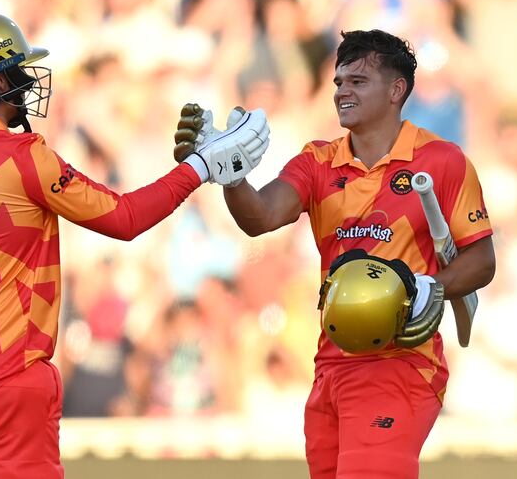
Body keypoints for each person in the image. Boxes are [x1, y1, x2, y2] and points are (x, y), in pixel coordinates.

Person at [0, 12, 269, 479]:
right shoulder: (24, 157)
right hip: (8, 382)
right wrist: (201, 167)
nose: (26, 81)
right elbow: (125, 219)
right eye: (17, 71)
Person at [184, 29, 496, 478]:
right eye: (339, 82)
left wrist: (432, 288)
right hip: (331, 366)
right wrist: (230, 175)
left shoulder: (442, 160)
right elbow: (261, 217)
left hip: (400, 366)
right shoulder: (316, 161)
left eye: (358, 81)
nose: (343, 91)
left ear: (396, 90)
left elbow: (482, 260)